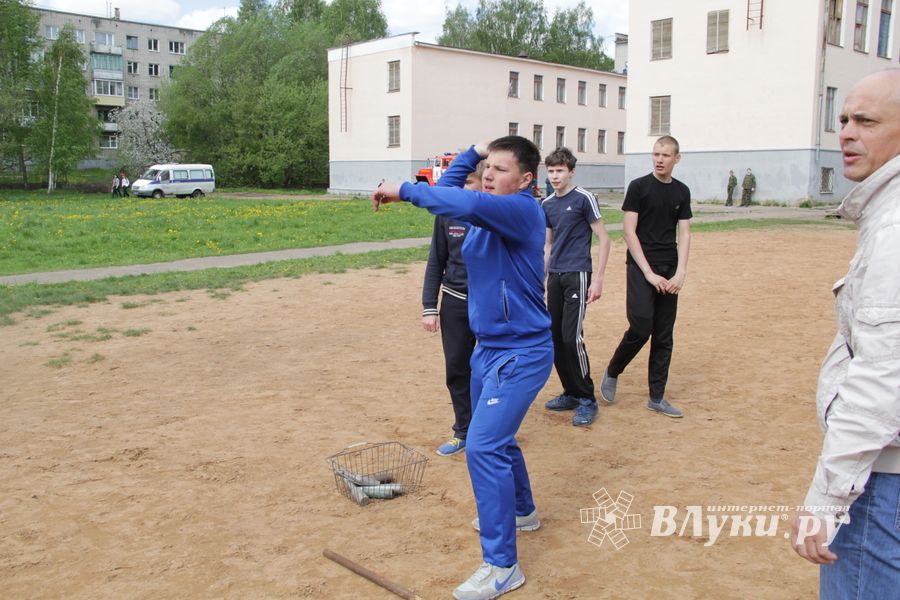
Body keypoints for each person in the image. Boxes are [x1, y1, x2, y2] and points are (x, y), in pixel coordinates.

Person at [373, 136, 552, 600]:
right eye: (487, 168)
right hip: (488, 349)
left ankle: (501, 566)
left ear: (527, 181)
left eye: (500, 169)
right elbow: (453, 194)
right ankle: (522, 511)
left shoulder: (521, 211)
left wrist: (403, 188)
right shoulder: (486, 210)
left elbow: (459, 197)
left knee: (483, 446)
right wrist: (473, 152)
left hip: (521, 352)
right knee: (496, 439)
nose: (489, 175)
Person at [790, 69, 900, 598]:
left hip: (883, 481)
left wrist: (827, 501)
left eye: (867, 120)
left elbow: (882, 377)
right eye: (842, 119)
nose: (847, 133)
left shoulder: (894, 227)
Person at [599, 135, 692, 418]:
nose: (660, 159)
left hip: (669, 269)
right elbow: (629, 232)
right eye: (656, 154)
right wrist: (649, 273)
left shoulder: (682, 191)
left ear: (677, 158)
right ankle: (613, 370)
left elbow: (685, 232)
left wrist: (681, 272)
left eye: (665, 155)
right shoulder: (639, 187)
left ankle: (657, 397)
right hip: (642, 267)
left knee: (664, 334)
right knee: (641, 326)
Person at [541, 147, 611, 426]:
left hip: (578, 273)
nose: (555, 176)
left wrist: (599, 279)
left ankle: (587, 397)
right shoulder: (546, 204)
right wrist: (541, 280)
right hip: (555, 276)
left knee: (572, 337)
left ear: (571, 171)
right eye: (551, 171)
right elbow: (547, 244)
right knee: (555, 337)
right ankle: (570, 392)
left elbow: (604, 239)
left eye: (560, 171)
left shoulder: (584, 199)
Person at [422, 161, 483, 456]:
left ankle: (491, 431)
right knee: (457, 367)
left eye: (470, 183)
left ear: (484, 184)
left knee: (487, 369)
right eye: (460, 185)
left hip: (488, 305)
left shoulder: (494, 215)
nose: (463, 190)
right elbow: (436, 260)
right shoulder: (447, 216)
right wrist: (429, 306)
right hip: (455, 301)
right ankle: (463, 430)